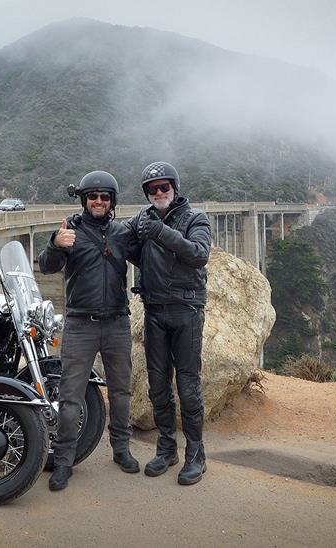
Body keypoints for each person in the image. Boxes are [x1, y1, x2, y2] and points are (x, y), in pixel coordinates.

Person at [38, 170, 140, 491]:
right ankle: (65, 460)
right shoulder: (70, 231)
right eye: (92, 196)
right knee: (70, 398)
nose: (98, 201)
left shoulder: (123, 233)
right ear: (84, 199)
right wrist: (56, 244)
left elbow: (150, 258)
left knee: (121, 392)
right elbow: (46, 265)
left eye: (104, 197)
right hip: (80, 325)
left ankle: (121, 449)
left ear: (112, 202)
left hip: (117, 323)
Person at [126, 161, 212, 485]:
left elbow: (199, 253)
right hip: (155, 312)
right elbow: (132, 249)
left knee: (189, 387)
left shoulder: (195, 218)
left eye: (164, 187)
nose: (159, 192)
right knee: (158, 386)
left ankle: (196, 454)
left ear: (175, 188)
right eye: (152, 188)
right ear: (147, 193)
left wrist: (161, 233)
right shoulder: (141, 219)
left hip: (187, 310)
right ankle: (166, 448)